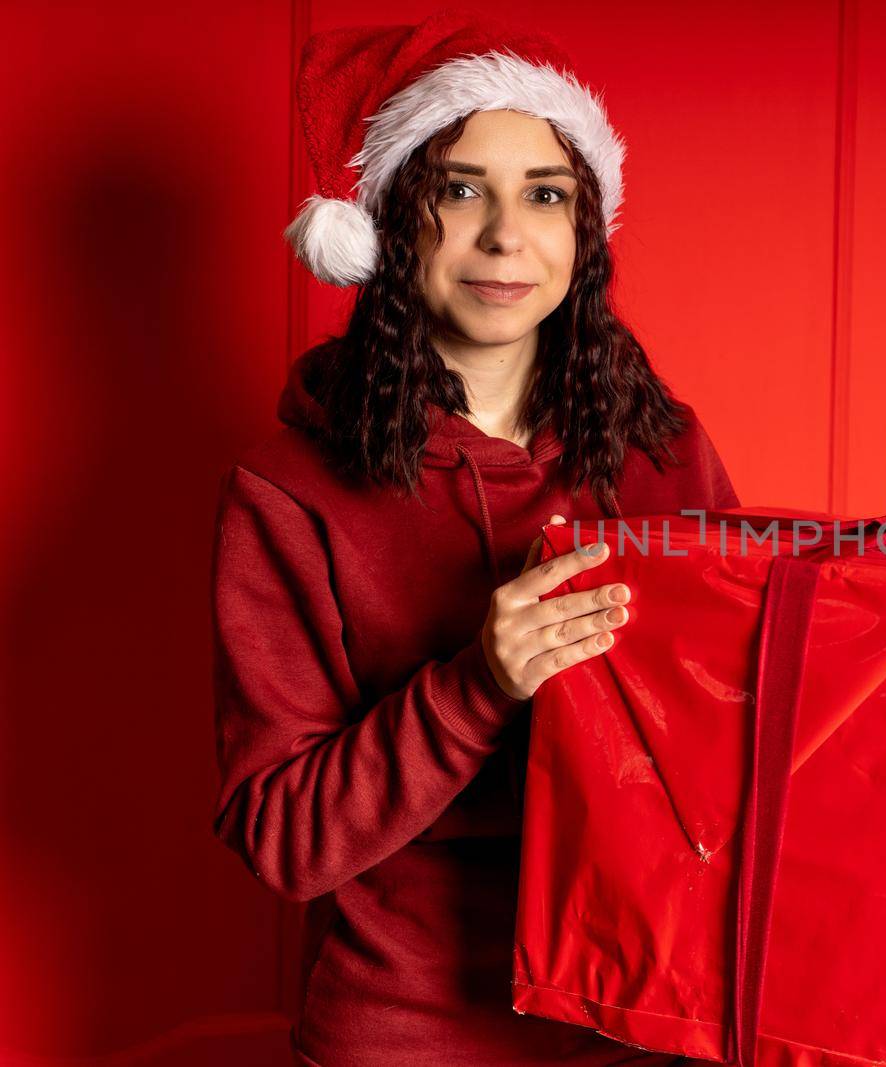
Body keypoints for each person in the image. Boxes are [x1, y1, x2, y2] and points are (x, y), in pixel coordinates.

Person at [209, 13, 740, 1065]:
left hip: (646, 1018)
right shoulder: (287, 490)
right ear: (391, 223)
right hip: (411, 1031)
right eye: (460, 190)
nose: (506, 236)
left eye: (545, 193)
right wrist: (478, 683)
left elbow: (752, 745)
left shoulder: (662, 451)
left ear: (583, 228)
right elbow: (283, 834)